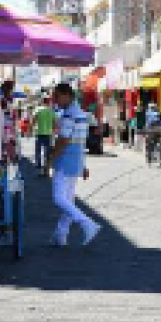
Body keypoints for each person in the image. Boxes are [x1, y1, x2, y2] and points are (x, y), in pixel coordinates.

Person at [48, 83, 100, 247]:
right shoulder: (82, 114)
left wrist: (49, 160)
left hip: (65, 161)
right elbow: (81, 141)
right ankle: (61, 235)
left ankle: (87, 223)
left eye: (57, 96)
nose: (55, 100)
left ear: (67, 95)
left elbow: (63, 140)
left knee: (59, 198)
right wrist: (83, 165)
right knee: (68, 200)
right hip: (75, 161)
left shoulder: (69, 114)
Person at [33, 96, 55, 174]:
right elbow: (54, 122)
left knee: (38, 151)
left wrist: (30, 129)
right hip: (48, 134)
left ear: (42, 101)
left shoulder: (38, 109)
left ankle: (38, 167)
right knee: (47, 152)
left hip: (39, 133)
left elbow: (34, 120)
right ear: (48, 102)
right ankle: (46, 168)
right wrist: (54, 131)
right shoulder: (51, 111)